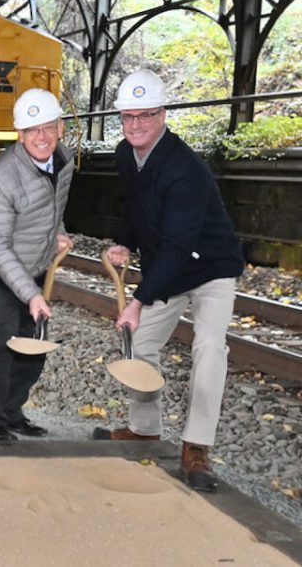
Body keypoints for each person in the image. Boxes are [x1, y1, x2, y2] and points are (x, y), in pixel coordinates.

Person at [92, 69, 243, 492]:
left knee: (210, 347)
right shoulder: (127, 153)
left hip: (210, 267)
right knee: (140, 346)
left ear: (163, 115)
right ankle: (145, 430)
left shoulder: (185, 170)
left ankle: (197, 447)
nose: (136, 125)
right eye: (128, 117)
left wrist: (138, 301)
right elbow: (138, 208)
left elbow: (178, 245)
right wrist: (124, 240)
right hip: (169, 265)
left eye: (146, 115)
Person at [0, 88, 74, 442]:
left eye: (47, 128)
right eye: (31, 131)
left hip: (34, 264)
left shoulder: (64, 159)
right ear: (19, 134)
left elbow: (51, 205)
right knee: (2, 343)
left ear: (60, 127)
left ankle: (13, 411)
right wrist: (31, 295)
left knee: (33, 344)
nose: (41, 137)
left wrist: (59, 231)